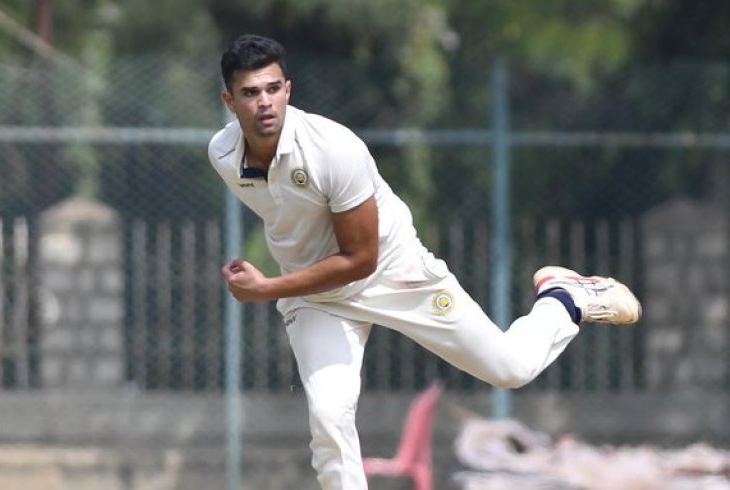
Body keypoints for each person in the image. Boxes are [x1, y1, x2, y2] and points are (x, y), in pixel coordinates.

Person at [207, 33, 641, 490]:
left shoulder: (334, 150)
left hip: (392, 272)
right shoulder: (222, 154)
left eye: (273, 88)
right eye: (251, 93)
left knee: (509, 369)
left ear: (288, 89)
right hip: (316, 296)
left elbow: (360, 259)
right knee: (329, 418)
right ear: (229, 101)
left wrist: (269, 288)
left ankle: (564, 298)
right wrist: (288, 283)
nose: (265, 103)